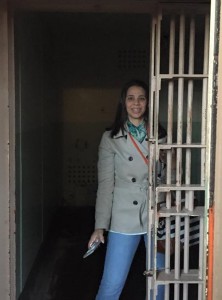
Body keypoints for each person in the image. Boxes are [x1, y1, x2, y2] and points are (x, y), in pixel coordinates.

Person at [88, 79, 166, 300]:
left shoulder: (160, 135)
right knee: (112, 284)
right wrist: (100, 226)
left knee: (160, 282)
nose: (136, 103)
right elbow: (106, 185)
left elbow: (173, 178)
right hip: (123, 217)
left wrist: (164, 164)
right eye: (131, 98)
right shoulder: (111, 138)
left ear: (148, 103)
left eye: (141, 98)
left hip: (155, 215)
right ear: (123, 102)